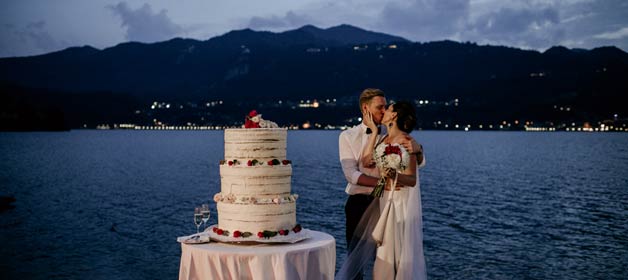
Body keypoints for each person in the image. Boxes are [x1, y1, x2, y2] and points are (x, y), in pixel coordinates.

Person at [339, 89, 425, 279]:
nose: (383, 110)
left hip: (384, 200)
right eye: (380, 107)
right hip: (360, 202)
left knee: (387, 252)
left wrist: (419, 149)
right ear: (365, 108)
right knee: (356, 257)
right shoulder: (348, 136)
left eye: (386, 107)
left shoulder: (389, 136)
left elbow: (415, 163)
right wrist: (384, 181)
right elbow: (352, 174)